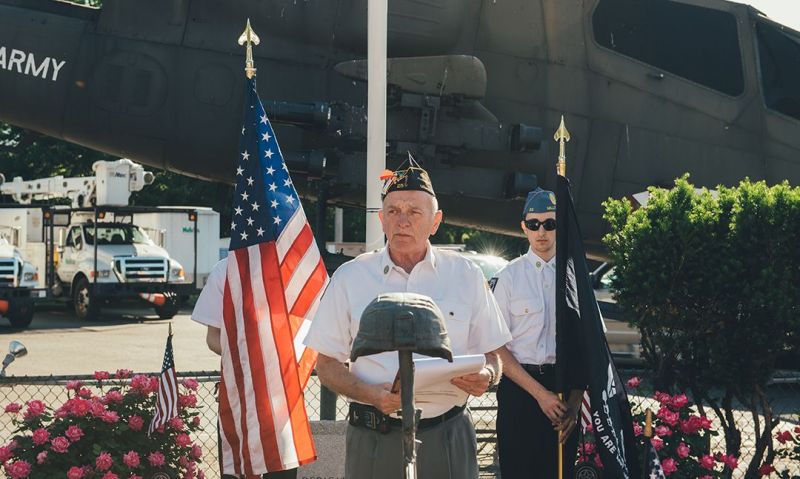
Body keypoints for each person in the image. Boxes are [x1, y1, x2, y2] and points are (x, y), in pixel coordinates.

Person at [304, 159, 512, 479]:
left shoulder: (465, 275)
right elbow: (327, 364)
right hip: (373, 437)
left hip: (447, 435)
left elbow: (494, 354)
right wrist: (372, 395)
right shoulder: (349, 278)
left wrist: (486, 374)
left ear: (435, 221)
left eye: (414, 212)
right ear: (381, 220)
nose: (402, 221)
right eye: (393, 211)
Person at [491, 188, 583, 479]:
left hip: (563, 391)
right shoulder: (508, 277)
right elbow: (496, 346)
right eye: (534, 224)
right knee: (518, 471)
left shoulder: (574, 278)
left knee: (558, 473)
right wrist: (540, 395)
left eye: (550, 224)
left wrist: (576, 402)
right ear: (524, 227)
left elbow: (587, 344)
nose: (541, 231)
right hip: (520, 390)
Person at [191, 259, 298, 479]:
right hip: (238, 396)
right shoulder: (225, 269)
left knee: (281, 470)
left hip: (282, 399)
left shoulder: (293, 261)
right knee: (236, 470)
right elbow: (213, 338)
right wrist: (253, 359)